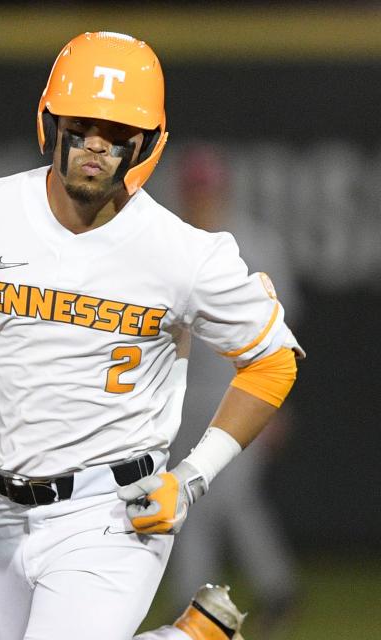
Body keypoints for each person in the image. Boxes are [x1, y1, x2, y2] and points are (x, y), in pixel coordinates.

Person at [0, 31, 302, 640]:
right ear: (49, 123)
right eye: (81, 126)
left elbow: (273, 360)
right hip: (2, 511)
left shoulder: (182, 252)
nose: (95, 146)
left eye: (117, 134)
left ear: (147, 145)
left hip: (114, 510)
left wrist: (191, 479)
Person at [166, 144, 301, 638]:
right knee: (192, 499)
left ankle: (270, 589)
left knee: (227, 500)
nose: (199, 195)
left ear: (221, 188)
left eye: (206, 187)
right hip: (186, 394)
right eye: (193, 187)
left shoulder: (256, 244)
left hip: (243, 386)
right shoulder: (173, 239)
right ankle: (203, 602)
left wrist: (277, 405)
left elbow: (282, 333)